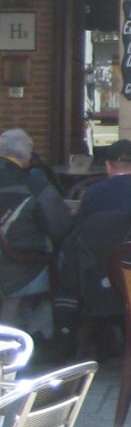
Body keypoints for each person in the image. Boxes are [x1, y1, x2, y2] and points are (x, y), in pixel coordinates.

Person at [0, 128, 70, 325]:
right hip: (18, 269)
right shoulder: (33, 184)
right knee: (66, 258)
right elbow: (60, 226)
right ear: (28, 155)